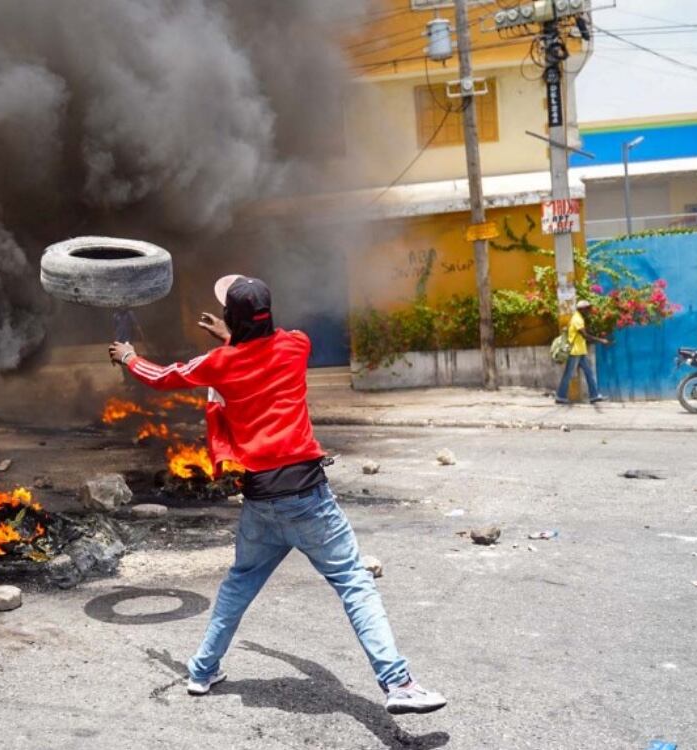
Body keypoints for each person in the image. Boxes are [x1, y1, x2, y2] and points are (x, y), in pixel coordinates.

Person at [107, 275, 447, 716]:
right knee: (354, 583)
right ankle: (398, 683)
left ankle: (201, 670)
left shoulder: (218, 363)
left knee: (238, 584)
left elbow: (164, 376)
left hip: (260, 501)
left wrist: (130, 356)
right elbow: (265, 344)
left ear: (231, 320)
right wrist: (236, 335)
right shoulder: (297, 346)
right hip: (308, 497)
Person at [555, 299, 610, 405]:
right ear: (582, 309)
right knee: (568, 374)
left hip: (580, 351)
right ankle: (560, 397)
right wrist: (601, 340)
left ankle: (594, 396)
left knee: (589, 373)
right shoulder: (577, 319)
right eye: (588, 308)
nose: (589, 310)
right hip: (575, 352)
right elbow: (585, 335)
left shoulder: (579, 318)